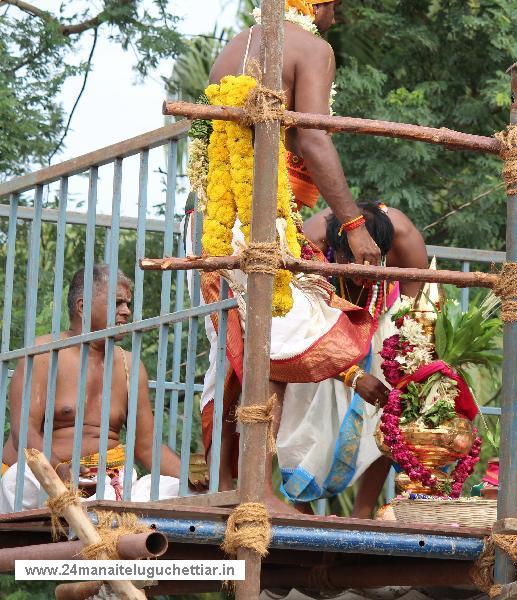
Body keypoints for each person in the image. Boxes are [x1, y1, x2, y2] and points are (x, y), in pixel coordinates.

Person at [187, 0, 385, 514]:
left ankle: (235, 484)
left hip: (210, 223)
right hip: (254, 221)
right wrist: (354, 224)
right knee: (273, 345)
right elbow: (314, 139)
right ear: (315, 4)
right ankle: (258, 490)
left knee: (237, 349)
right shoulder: (313, 50)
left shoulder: (233, 47)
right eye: (335, 6)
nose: (337, 18)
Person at [0, 265, 199, 512]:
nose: (126, 312)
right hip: (46, 476)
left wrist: (195, 482)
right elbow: (24, 432)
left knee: (175, 489)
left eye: (127, 304)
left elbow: (146, 446)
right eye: (117, 303)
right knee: (17, 479)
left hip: (108, 481)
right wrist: (58, 471)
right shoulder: (44, 354)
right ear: (82, 307)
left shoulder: (129, 365)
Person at [277, 201, 428, 517]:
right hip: (320, 318)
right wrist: (353, 376)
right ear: (335, 250)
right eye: (353, 261)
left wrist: (405, 367)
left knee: (393, 396)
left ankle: (363, 511)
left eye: (373, 261)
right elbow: (299, 330)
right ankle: (299, 508)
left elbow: (412, 321)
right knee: (302, 391)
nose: (362, 272)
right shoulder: (308, 246)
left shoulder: (407, 243)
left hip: (380, 314)